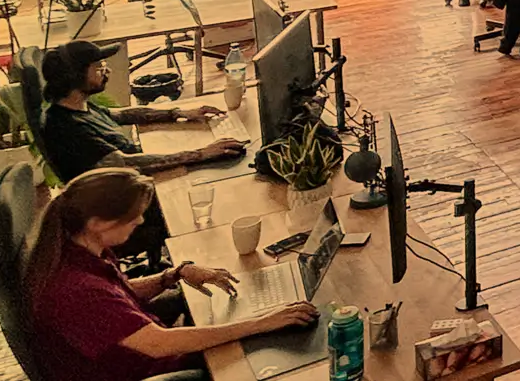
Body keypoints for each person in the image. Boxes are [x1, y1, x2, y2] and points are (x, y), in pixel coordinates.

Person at [26, 169, 320, 381]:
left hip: (147, 356)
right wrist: (262, 322)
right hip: (147, 371)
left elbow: (120, 294)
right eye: (133, 215)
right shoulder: (77, 290)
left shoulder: (80, 248)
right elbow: (160, 344)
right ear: (98, 222)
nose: (140, 220)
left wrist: (174, 274)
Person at [39, 41, 245, 179]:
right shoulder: (67, 128)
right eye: (99, 67)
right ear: (75, 76)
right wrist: (201, 154)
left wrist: (179, 113)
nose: (107, 70)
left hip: (135, 179)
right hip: (120, 200)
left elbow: (122, 114)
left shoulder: (77, 105)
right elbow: (126, 163)